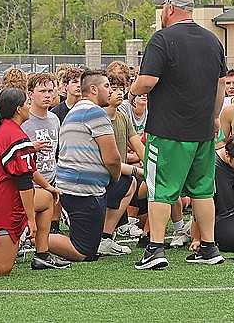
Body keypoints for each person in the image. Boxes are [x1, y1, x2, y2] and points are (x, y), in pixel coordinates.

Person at [130, 0, 227, 269]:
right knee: (203, 189)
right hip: (203, 130)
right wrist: (215, 117)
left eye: (163, 8)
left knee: (160, 188)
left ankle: (155, 249)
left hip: (169, 130)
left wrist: (133, 90)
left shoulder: (162, 39)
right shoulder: (212, 40)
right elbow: (220, 84)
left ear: (170, 9)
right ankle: (209, 247)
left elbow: (147, 80)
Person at [0, 88, 67, 276]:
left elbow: (26, 170)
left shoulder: (2, 127)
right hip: (2, 204)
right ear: (18, 109)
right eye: (27, 103)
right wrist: (30, 220)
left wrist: (47, 186)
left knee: (47, 198)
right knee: (1, 268)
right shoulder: (14, 135)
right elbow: (23, 183)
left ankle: (42, 254)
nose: (29, 107)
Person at [48, 70, 128, 263]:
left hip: (73, 187)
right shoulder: (96, 113)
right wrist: (114, 177)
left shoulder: (74, 110)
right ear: (93, 89)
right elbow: (112, 159)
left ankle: (105, 237)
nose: (110, 91)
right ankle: (34, 238)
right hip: (83, 191)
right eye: (107, 86)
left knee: (129, 183)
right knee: (84, 252)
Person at [98, 72, 146, 256]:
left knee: (148, 182)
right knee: (132, 181)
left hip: (118, 175)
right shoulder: (98, 117)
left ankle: (108, 235)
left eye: (121, 89)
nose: (118, 92)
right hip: (100, 175)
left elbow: (138, 145)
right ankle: (105, 234)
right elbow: (106, 161)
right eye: (112, 88)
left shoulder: (123, 118)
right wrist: (137, 170)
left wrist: (150, 166)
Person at [21, 73, 62, 234]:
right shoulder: (24, 120)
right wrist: (30, 147)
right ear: (30, 94)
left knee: (42, 234)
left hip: (50, 178)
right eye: (42, 91)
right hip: (29, 183)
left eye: (50, 91)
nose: (47, 95)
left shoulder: (54, 119)